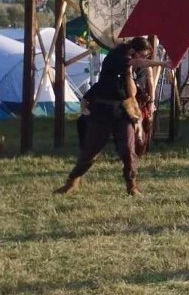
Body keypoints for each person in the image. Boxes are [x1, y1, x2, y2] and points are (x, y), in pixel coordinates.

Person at [54, 37, 167, 196]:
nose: (144, 59)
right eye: (143, 55)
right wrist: (163, 64)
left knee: (128, 150)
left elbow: (131, 91)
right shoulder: (115, 57)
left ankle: (132, 185)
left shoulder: (131, 67)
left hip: (123, 112)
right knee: (91, 151)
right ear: (133, 51)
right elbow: (134, 62)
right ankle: (72, 182)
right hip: (103, 111)